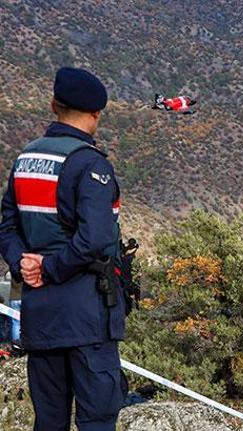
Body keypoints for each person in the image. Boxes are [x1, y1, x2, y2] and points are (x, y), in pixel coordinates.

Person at [0, 67, 126, 431]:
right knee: (97, 418)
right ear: (97, 114)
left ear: (53, 105)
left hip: (41, 317)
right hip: (87, 317)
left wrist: (23, 263)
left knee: (50, 419)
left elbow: (7, 226)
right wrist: (51, 267)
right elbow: (96, 239)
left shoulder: (25, 161)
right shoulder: (90, 165)